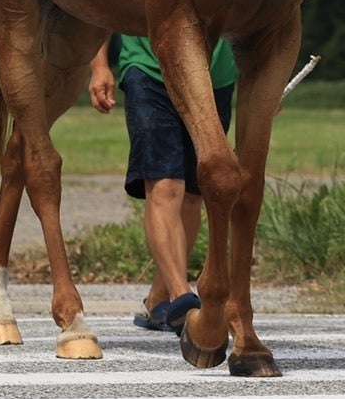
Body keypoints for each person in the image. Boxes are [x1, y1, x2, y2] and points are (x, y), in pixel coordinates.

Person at [88, 34, 236, 334]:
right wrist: (100, 64)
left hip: (214, 78)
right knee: (166, 186)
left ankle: (158, 299)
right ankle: (181, 297)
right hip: (149, 71)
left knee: (194, 194)